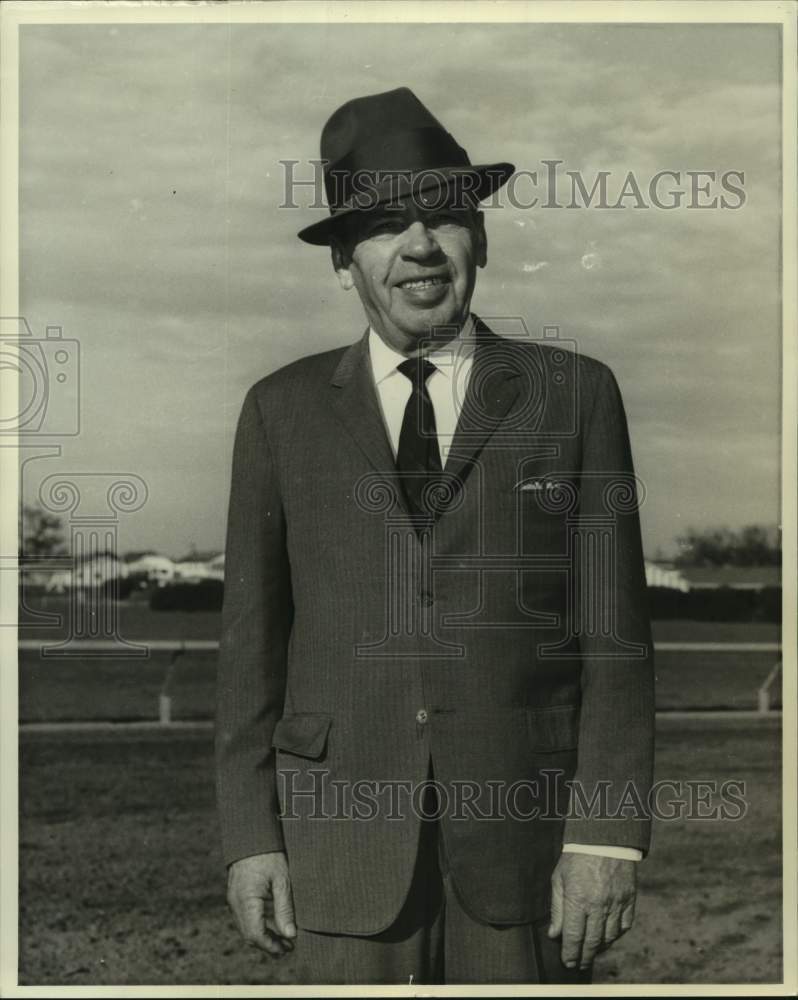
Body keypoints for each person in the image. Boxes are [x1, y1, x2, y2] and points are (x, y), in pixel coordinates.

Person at [215, 87, 654, 985]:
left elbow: (618, 646)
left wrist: (608, 834)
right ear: (344, 260)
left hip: (525, 853)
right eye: (383, 226)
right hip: (338, 847)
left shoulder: (574, 395)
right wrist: (249, 837)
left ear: (479, 240)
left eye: (444, 217)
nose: (419, 246)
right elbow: (250, 649)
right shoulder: (280, 411)